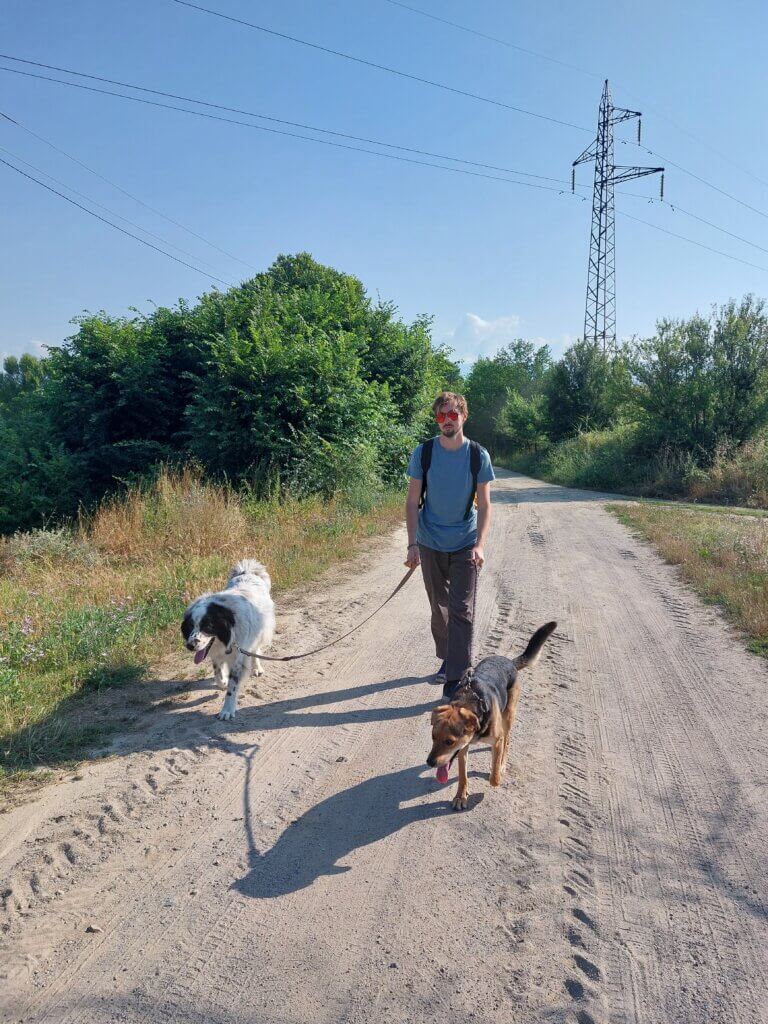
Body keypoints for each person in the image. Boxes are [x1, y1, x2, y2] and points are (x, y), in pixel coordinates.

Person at [404, 391, 494, 696]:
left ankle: (457, 677)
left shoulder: (477, 455)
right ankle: (448, 658)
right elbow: (412, 500)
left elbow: (484, 504)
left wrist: (479, 544)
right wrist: (412, 544)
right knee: (438, 608)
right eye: (441, 416)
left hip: (464, 542)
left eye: (452, 414)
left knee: (462, 610)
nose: (446, 421)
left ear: (464, 416)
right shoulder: (424, 452)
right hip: (429, 542)